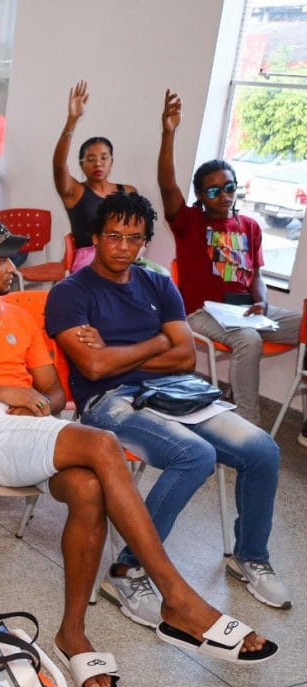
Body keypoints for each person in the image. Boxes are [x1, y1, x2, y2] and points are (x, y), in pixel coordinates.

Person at [0, 216, 275, 687]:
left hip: (27, 430)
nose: (13, 269)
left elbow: (54, 391)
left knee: (89, 487)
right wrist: (0, 393)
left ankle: (72, 633)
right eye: (3, 261)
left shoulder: (17, 317)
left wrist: (38, 403)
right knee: (101, 444)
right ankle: (179, 599)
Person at [46, 192, 291, 624]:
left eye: (134, 239)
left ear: (145, 242)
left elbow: (184, 357)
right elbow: (95, 367)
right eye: (114, 236)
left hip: (176, 390)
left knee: (263, 451)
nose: (123, 247)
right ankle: (127, 570)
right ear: (96, 237)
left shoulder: (157, 284)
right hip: (110, 400)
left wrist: (121, 350)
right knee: (193, 455)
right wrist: (158, 342)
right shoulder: (71, 292)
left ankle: (250, 556)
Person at [157, 88, 302, 426]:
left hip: (246, 311)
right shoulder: (189, 222)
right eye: (213, 190)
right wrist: (168, 133)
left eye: (229, 187)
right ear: (200, 195)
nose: (223, 195)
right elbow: (166, 185)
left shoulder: (250, 226)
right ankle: (247, 425)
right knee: (248, 342)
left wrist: (262, 302)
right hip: (201, 312)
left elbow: (255, 276)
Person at [53, 81, 136, 272]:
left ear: (111, 161)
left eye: (103, 158)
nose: (98, 163)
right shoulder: (74, 192)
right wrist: (72, 119)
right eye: (90, 159)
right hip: (89, 261)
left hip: (125, 258)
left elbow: (139, 229)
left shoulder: (129, 192)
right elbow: (58, 165)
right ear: (81, 164)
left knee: (158, 278)